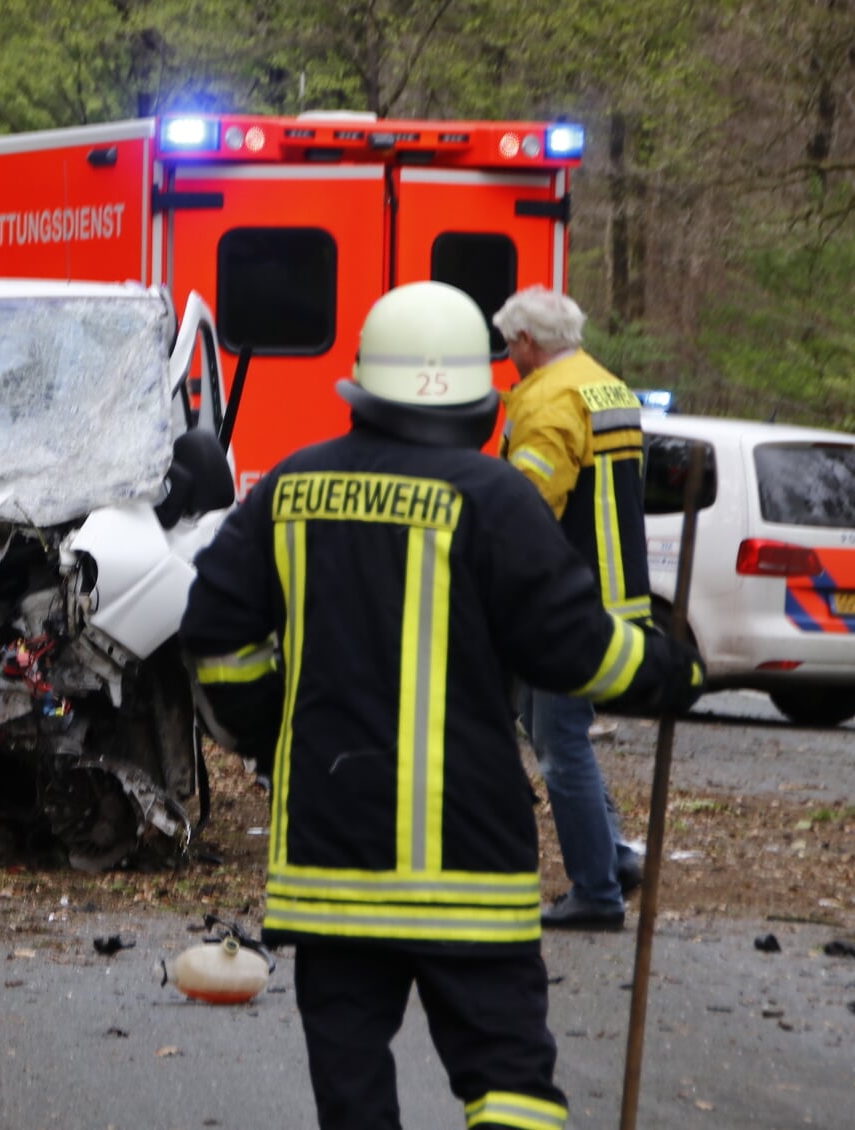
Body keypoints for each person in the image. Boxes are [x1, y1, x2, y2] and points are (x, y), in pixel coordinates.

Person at [182, 282, 703, 1129]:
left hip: (329, 870)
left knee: (352, 1091)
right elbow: (577, 648)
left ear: (360, 385)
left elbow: (213, 634)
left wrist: (272, 732)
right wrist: (673, 674)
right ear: (478, 396)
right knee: (510, 1083)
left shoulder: (289, 489)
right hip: (468, 866)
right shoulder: (494, 499)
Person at [493, 286, 650, 930]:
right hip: (613, 591)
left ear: (529, 343)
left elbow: (527, 509)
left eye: (510, 345)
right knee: (546, 722)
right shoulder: (607, 386)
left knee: (558, 741)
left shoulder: (549, 400)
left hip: (565, 600)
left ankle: (596, 892)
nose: (508, 357)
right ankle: (613, 857)